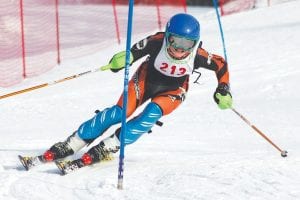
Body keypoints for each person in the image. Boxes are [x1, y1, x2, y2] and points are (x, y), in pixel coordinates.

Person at [19, 13, 232, 174]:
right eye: (176, 41)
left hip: (173, 90)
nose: (180, 49)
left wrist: (223, 89)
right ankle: (72, 143)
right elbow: (134, 52)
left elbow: (221, 65)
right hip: (146, 79)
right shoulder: (157, 41)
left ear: (195, 43)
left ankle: (108, 147)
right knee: (119, 112)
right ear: (168, 36)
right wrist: (123, 59)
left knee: (150, 114)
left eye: (187, 44)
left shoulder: (198, 55)